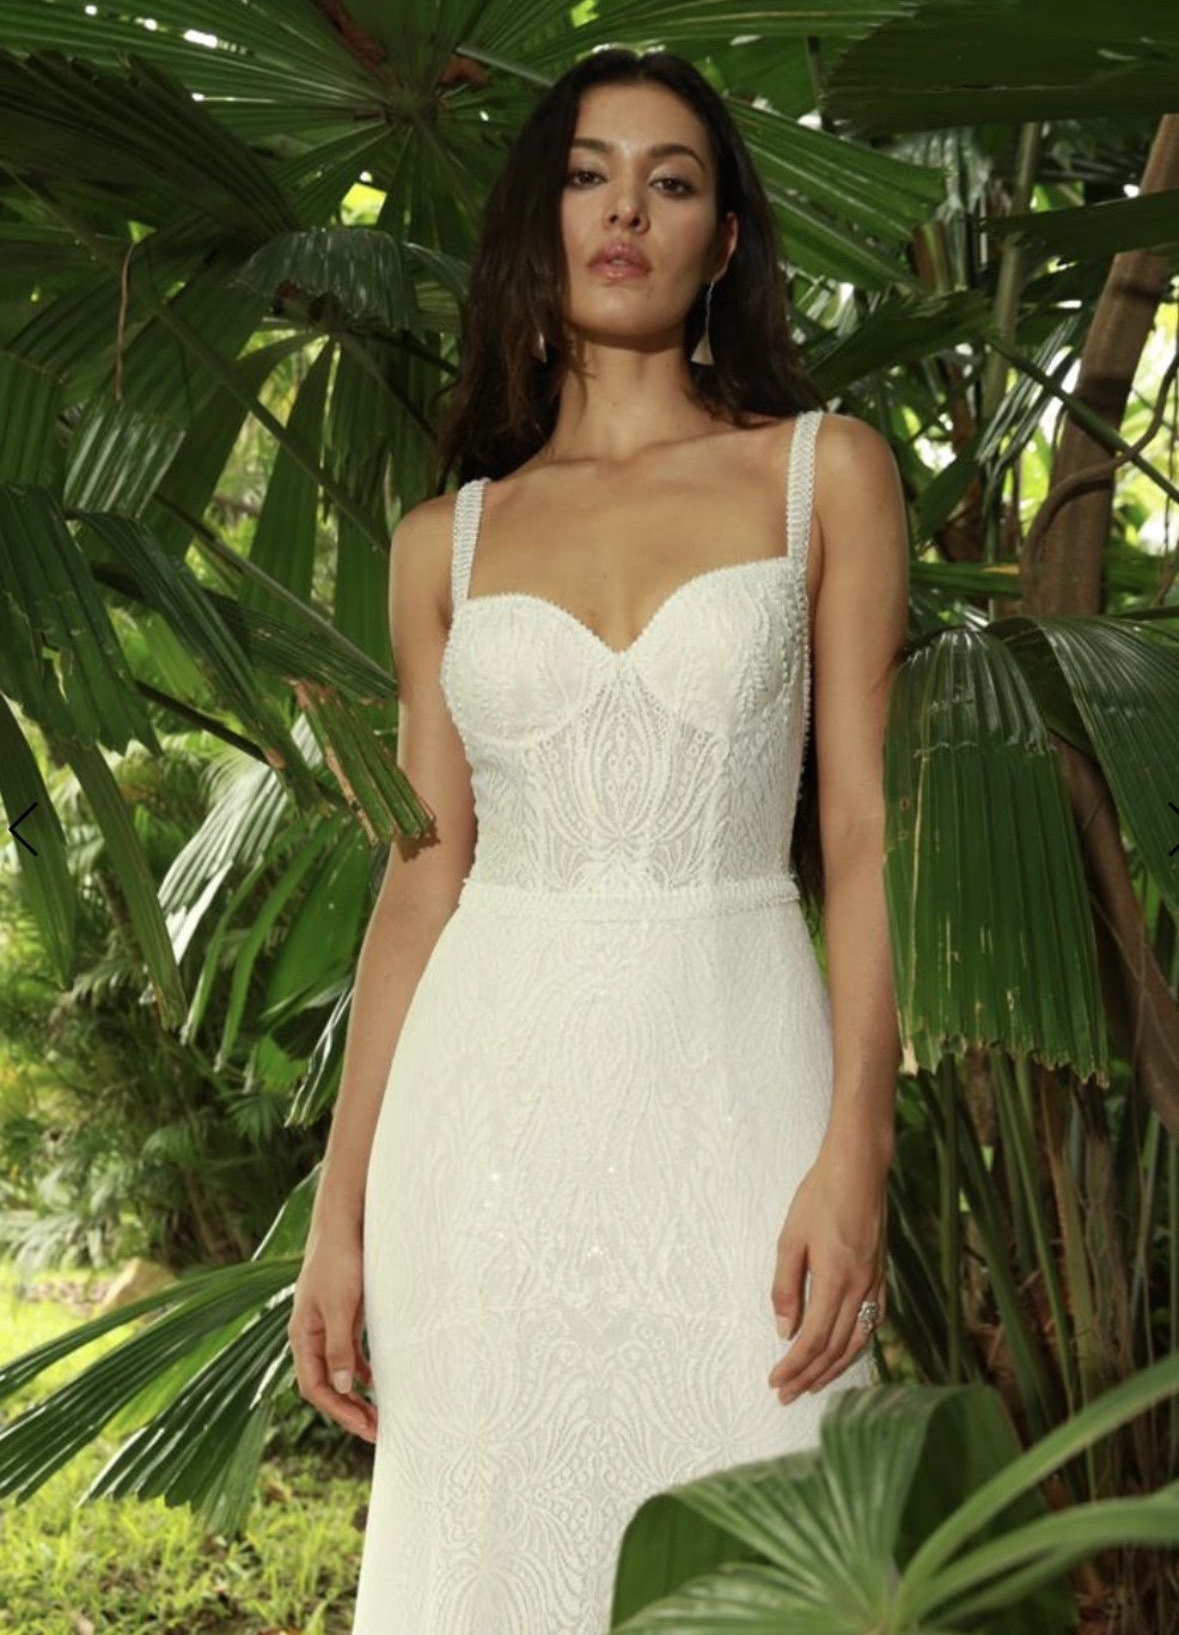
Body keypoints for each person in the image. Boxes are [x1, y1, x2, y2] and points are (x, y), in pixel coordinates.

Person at [288, 44, 909, 1635]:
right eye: (586, 172)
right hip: (481, 1136)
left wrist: (858, 1143)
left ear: (719, 241)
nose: (624, 208)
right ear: (539, 223)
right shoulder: (446, 540)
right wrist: (339, 1207)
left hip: (737, 1082)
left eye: (672, 179)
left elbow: (858, 828)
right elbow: (423, 876)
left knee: (765, 1530)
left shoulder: (819, 475)